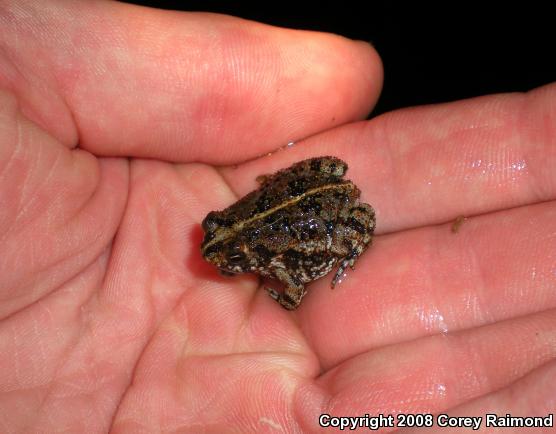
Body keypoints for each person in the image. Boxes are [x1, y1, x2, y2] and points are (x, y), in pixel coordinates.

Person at [1, 1, 554, 432]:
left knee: (349, 229)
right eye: (217, 234)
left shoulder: (270, 258)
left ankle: (342, 247)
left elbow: (289, 290)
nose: (216, 251)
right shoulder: (244, 228)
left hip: (334, 211)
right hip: (310, 188)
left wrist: (289, 275)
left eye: (230, 251)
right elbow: (291, 261)